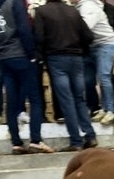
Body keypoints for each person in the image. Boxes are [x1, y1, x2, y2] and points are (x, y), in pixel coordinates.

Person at [0, 0, 54, 154]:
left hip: (4, 58)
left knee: (11, 102)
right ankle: (36, 140)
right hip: (21, 54)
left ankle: (16, 143)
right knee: (35, 99)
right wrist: (32, 54)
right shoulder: (14, 2)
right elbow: (23, 28)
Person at [34, 0, 97, 151]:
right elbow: (88, 36)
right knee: (79, 98)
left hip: (56, 58)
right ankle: (90, 135)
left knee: (66, 100)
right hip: (76, 58)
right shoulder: (73, 10)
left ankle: (76, 141)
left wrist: (40, 57)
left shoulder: (42, 11)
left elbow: (39, 38)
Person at [76, 0, 114, 125]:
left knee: (104, 76)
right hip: (91, 46)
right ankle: (99, 108)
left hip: (106, 44)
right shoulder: (79, 7)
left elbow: (85, 29)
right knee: (88, 79)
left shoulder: (88, 6)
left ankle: (111, 110)